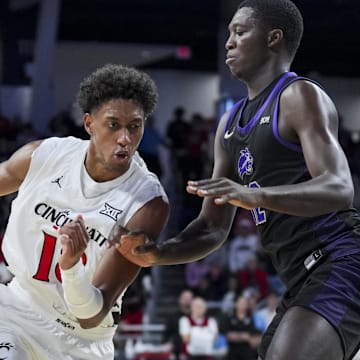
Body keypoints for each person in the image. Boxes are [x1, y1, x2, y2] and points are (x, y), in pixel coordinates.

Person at [116, 1, 360, 359]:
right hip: (299, 279)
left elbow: (339, 189)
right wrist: (157, 254)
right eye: (229, 33)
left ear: (273, 38)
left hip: (341, 261)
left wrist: (253, 195)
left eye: (240, 32)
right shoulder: (228, 126)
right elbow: (212, 229)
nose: (228, 42)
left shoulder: (298, 96)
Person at [0, 63, 169, 359]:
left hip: (82, 339)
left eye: (135, 126)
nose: (125, 139)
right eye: (113, 124)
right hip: (17, 312)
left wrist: (71, 266)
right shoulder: (44, 156)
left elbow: (91, 315)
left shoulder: (147, 203)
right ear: (89, 124)